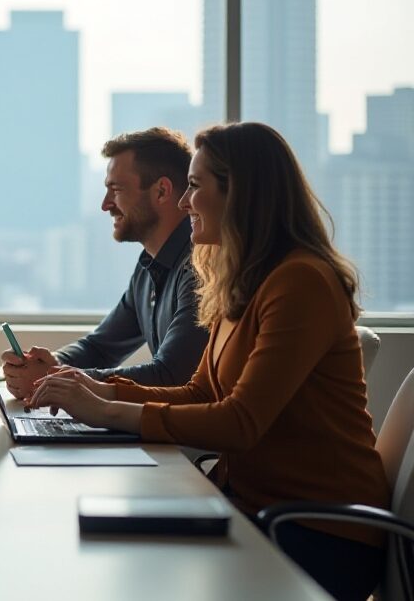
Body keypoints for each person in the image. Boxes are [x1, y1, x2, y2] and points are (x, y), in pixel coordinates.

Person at [28, 122, 390, 601]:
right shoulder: (241, 281)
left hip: (320, 534)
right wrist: (97, 389)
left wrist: (108, 410)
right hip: (254, 507)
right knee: (100, 544)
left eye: (195, 186)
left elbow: (240, 423)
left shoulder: (301, 282)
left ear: (240, 194)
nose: (184, 202)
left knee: (130, 569)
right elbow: (200, 392)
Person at [2, 128, 208, 402]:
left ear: (161, 191)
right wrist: (47, 364)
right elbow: (100, 347)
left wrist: (55, 378)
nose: (105, 204)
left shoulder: (200, 269)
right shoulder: (149, 267)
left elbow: (171, 376)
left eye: (116, 189)